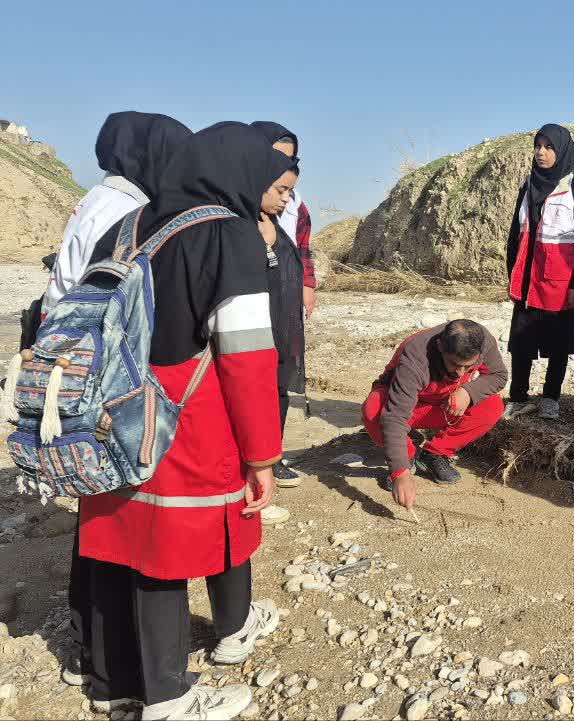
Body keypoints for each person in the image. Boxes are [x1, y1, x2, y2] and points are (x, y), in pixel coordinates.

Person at [78, 122, 294, 719]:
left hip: (108, 409)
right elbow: (246, 358)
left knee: (116, 545)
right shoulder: (228, 234)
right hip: (181, 420)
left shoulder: (127, 226)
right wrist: (262, 456)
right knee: (162, 555)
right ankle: (169, 697)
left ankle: (112, 683)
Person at [38, 111, 191, 693]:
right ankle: (102, 654)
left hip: (72, 357)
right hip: (95, 369)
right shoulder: (126, 210)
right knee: (106, 508)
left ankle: (91, 646)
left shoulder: (99, 199)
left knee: (94, 504)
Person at [43, 112, 191, 314]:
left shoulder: (103, 196)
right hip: (76, 324)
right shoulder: (126, 209)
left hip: (56, 317)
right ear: (154, 159)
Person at [503, 124, 574, 420]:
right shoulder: (526, 187)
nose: (541, 152)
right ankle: (518, 397)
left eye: (549, 147)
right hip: (528, 279)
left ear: (562, 151)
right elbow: (515, 233)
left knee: (558, 343)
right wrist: (512, 273)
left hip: (560, 280)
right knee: (522, 341)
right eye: (538, 146)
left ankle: (551, 398)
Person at [363, 320, 507, 500]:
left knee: (492, 406)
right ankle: (407, 455)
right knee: (373, 408)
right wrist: (400, 473)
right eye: (455, 364)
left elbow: (499, 375)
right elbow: (395, 417)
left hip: (445, 404)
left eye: (468, 367)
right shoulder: (416, 355)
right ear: (440, 346)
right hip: (407, 405)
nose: (461, 373)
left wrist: (468, 392)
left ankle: (434, 454)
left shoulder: (483, 341)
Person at [250, 121, 310, 499]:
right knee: (253, 392)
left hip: (283, 322)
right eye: (280, 188)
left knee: (279, 387)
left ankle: (271, 456)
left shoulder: (284, 212)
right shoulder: (239, 221)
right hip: (253, 329)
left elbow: (302, 248)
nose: (286, 196)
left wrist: (307, 286)